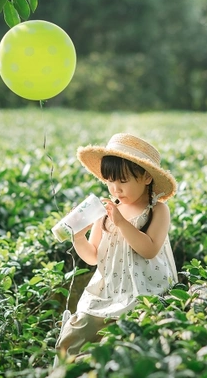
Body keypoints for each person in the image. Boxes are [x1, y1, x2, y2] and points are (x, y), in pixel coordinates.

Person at [55, 133, 179, 359]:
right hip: (106, 290)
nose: (115, 189)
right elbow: (93, 256)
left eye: (123, 181)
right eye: (110, 181)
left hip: (142, 292)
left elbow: (149, 249)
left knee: (124, 345)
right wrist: (78, 238)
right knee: (74, 336)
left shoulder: (157, 210)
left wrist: (121, 223)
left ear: (146, 178)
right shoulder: (104, 210)